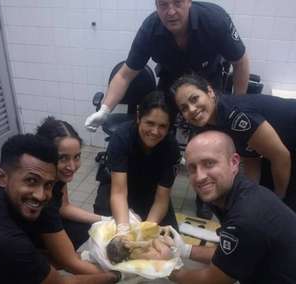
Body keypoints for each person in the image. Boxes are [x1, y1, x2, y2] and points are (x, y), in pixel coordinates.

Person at [85, 0, 250, 219]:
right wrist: (105, 109)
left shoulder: (214, 19)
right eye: (163, 4)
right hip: (170, 84)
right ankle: (157, 189)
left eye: (177, 3)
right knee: (158, 133)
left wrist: (237, 104)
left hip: (205, 86)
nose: (170, 11)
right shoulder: (150, 29)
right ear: (156, 5)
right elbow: (126, 74)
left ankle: (205, 198)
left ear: (188, 1)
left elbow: (240, 61)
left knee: (208, 142)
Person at [0, 134, 120, 284]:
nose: (40, 196)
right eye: (31, 181)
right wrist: (117, 277)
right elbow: (60, 282)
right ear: (2, 177)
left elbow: (32, 257)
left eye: (48, 185)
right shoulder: (10, 242)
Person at [170, 130, 296, 284]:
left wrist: (166, 267)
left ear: (234, 162)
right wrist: (184, 249)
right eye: (192, 168)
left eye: (209, 163)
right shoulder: (231, 193)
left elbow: (215, 280)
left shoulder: (246, 217)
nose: (200, 176)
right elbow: (233, 253)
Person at [171, 74, 296, 212]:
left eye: (194, 99)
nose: (192, 109)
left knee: (285, 210)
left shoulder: (233, 115)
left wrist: (279, 199)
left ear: (210, 92)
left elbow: (280, 156)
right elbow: (250, 155)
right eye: (184, 108)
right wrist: (249, 198)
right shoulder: (210, 123)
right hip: (283, 150)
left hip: (286, 150)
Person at [93, 91, 181, 239]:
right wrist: (123, 230)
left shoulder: (171, 148)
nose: (155, 132)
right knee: (108, 236)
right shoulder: (122, 137)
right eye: (150, 123)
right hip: (117, 187)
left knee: (168, 238)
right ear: (139, 116)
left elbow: (161, 199)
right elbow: (119, 193)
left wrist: (146, 230)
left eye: (162, 126)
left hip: (150, 191)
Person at [35, 117, 111, 274]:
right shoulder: (42, 199)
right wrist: (119, 273)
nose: (72, 166)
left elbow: (64, 207)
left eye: (76, 157)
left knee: (87, 228)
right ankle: (45, 261)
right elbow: (71, 263)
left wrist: (107, 220)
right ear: (45, 155)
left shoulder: (56, 177)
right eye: (63, 158)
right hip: (18, 243)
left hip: (42, 223)